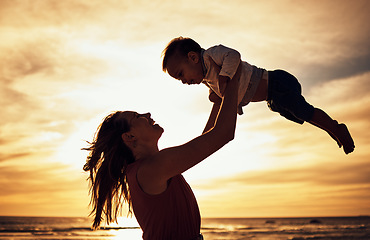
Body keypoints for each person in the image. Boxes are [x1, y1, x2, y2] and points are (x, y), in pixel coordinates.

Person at [82, 62, 240, 239]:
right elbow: (222, 134)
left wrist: (219, 102)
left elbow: (205, 141)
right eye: (137, 116)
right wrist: (234, 74)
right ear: (129, 137)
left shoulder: (151, 167)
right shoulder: (151, 168)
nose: (147, 114)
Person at [162, 36, 355, 154]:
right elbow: (225, 95)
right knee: (300, 115)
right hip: (272, 98)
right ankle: (331, 130)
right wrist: (217, 95)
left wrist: (224, 77)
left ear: (193, 57)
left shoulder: (211, 55)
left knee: (305, 112)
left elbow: (234, 55)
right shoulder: (207, 79)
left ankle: (336, 128)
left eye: (181, 74)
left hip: (277, 83)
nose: (183, 82)